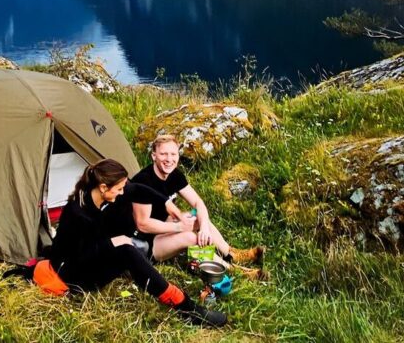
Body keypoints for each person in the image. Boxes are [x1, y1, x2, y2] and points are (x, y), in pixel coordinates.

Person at [33, 158, 227, 327]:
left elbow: (138, 190)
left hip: (92, 257)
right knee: (127, 249)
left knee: (129, 251)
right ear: (103, 188)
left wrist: (167, 204)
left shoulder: (100, 193)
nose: (122, 192)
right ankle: (185, 307)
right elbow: (81, 257)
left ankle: (179, 301)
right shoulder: (78, 214)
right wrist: (112, 242)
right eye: (119, 189)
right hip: (73, 274)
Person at [131, 135, 265, 276]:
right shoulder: (143, 182)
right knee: (192, 238)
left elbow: (197, 202)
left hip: (162, 227)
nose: (169, 159)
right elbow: (142, 224)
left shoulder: (174, 175)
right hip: (143, 244)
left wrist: (204, 228)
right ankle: (234, 271)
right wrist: (179, 227)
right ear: (154, 156)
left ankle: (231, 254)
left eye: (173, 154)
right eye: (163, 154)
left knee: (197, 217)